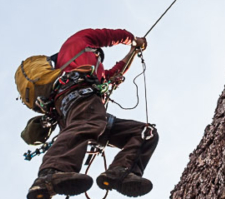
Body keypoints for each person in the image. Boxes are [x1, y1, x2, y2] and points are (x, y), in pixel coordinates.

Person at [27, 28, 157, 199]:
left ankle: (121, 172)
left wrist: (132, 52)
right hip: (78, 97)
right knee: (87, 124)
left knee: (146, 133)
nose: (97, 59)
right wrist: (133, 40)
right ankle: (50, 174)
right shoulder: (77, 43)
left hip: (90, 111)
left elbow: (116, 72)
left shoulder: (97, 73)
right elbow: (110, 36)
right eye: (97, 55)